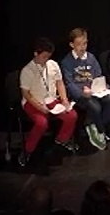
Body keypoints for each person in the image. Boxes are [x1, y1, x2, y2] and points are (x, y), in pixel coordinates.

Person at [18, 37, 78, 167]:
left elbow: (59, 83)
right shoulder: (27, 71)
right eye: (44, 56)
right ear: (36, 53)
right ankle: (27, 150)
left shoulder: (53, 65)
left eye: (48, 57)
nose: (46, 60)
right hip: (33, 101)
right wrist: (40, 108)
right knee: (42, 123)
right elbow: (26, 94)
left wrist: (64, 100)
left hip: (51, 99)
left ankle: (60, 141)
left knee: (71, 115)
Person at [60, 28, 110, 151]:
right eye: (79, 44)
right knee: (95, 107)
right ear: (72, 45)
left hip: (94, 91)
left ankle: (93, 126)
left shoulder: (91, 58)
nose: (83, 47)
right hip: (81, 96)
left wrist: (102, 86)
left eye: (85, 43)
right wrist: (81, 92)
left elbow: (98, 74)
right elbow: (69, 83)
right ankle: (101, 131)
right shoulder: (67, 62)